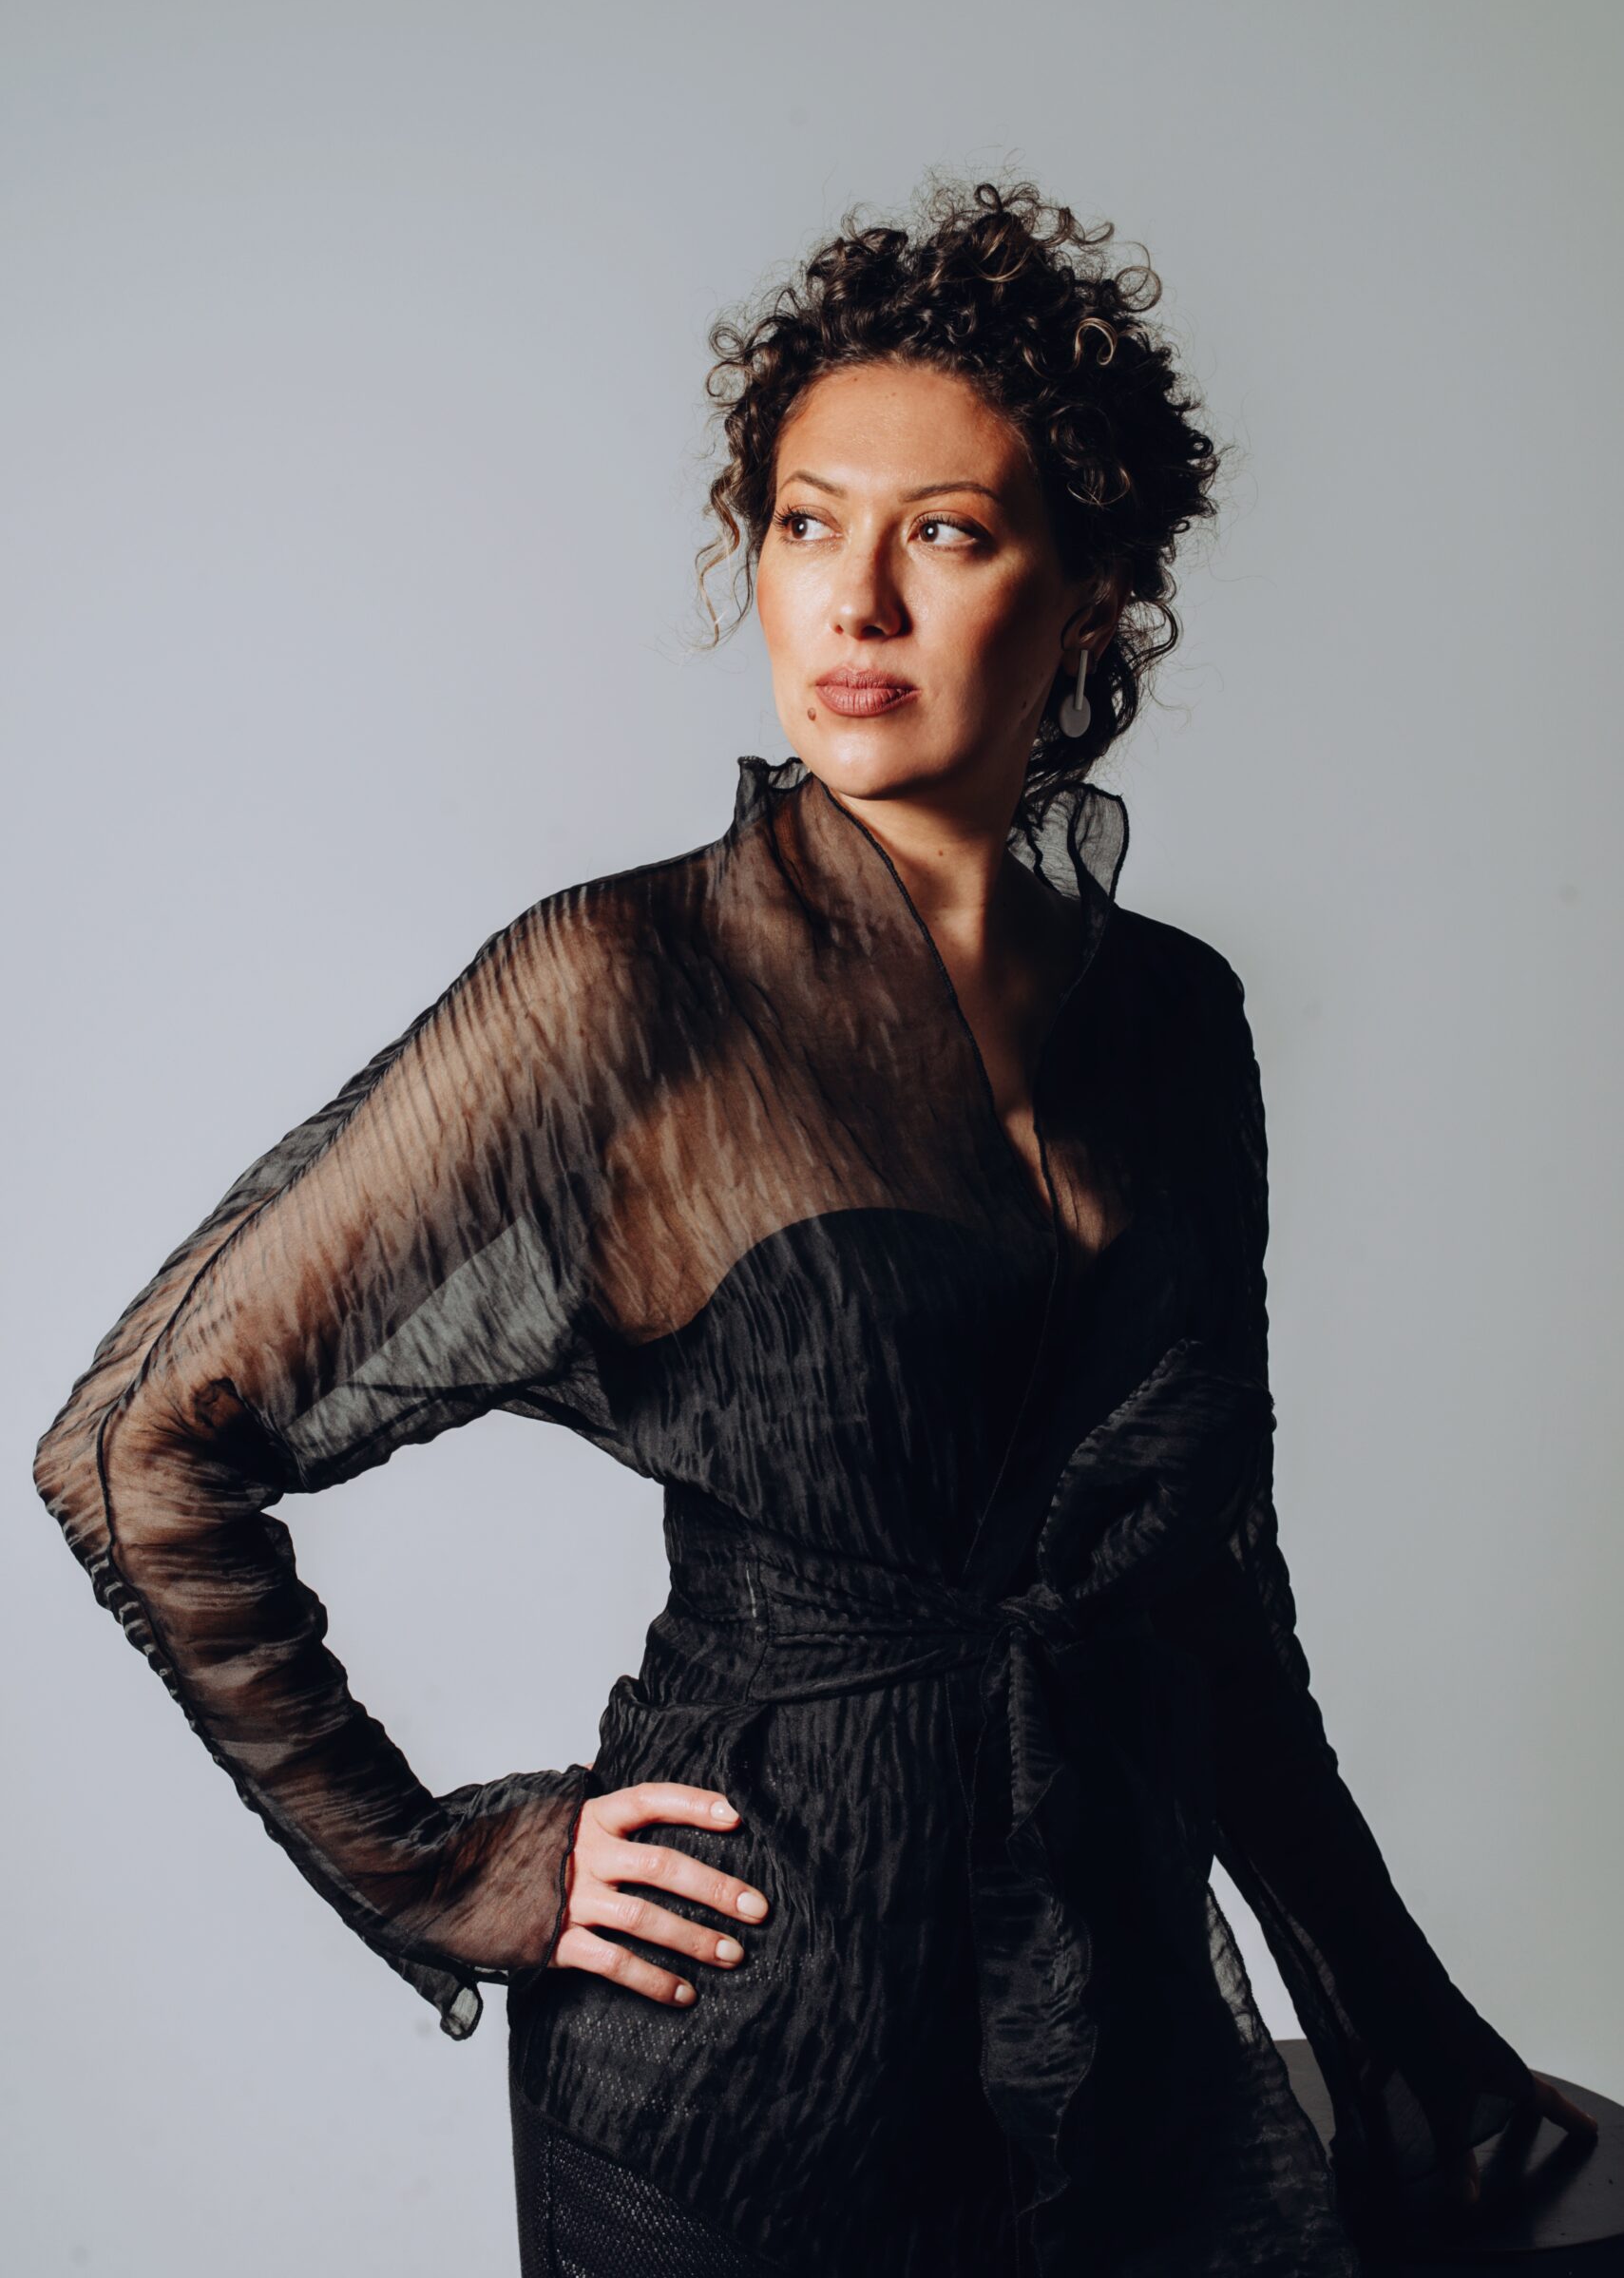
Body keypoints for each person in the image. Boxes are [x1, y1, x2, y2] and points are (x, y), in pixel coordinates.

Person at [31, 178, 1594, 2278]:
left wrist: (1407, 2034)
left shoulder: (1174, 1023)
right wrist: (440, 1866)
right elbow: (134, 1446)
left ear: (1093, 587)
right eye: (801, 522)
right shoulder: (627, 991)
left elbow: (1207, 1605)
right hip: (739, 2081)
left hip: (1108, 2057)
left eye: (942, 532)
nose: (851, 600)